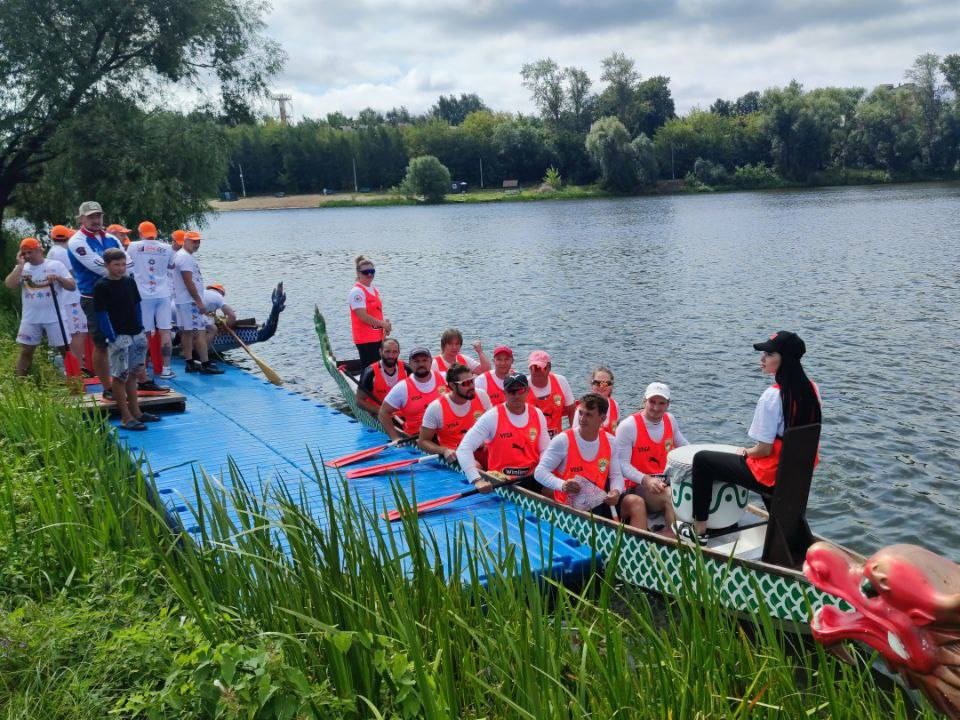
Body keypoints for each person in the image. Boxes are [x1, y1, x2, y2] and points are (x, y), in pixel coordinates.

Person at [679, 331, 822, 544]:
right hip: (796, 473)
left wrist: (746, 452)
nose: (762, 359)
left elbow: (763, 450)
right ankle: (788, 533)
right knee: (739, 462)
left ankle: (699, 532)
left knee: (702, 460)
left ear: (785, 359)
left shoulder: (772, 396)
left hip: (771, 474)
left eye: (769, 354)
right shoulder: (811, 388)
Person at [93, 248, 160, 430]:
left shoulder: (130, 282)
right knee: (120, 376)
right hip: (119, 336)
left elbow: (137, 306)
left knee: (134, 374)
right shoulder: (101, 286)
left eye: (123, 264)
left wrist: (140, 328)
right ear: (107, 265)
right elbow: (101, 314)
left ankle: (136, 411)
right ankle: (125, 416)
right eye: (116, 265)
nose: (121, 268)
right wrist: (112, 336)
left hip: (135, 332)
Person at [456, 372, 550, 493]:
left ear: (528, 391)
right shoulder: (492, 417)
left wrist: (542, 468)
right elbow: (464, 448)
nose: (516, 395)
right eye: (511, 391)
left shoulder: (537, 414)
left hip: (531, 477)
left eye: (520, 391)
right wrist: (477, 480)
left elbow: (545, 449)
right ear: (504, 393)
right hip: (502, 483)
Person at [67, 201, 126, 391]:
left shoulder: (112, 239)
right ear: (81, 218)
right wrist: (120, 270)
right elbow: (97, 267)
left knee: (122, 339)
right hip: (93, 297)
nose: (95, 220)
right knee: (101, 343)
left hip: (115, 293)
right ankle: (108, 387)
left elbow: (128, 262)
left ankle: (122, 382)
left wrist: (120, 270)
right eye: (91, 216)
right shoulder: (77, 241)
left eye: (98, 216)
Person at [534, 393, 622, 518]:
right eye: (581, 413)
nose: (582, 419)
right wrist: (562, 485)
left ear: (602, 419)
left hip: (596, 507)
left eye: (589, 415)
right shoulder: (563, 441)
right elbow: (540, 472)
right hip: (566, 510)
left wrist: (616, 491)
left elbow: (616, 476)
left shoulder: (611, 442)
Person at [615, 382, 686, 531]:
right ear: (644, 401)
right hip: (635, 486)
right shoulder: (628, 426)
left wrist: (704, 458)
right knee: (672, 496)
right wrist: (646, 480)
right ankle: (675, 540)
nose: (656, 408)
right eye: (652, 402)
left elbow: (685, 448)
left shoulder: (670, 420)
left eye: (661, 403)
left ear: (668, 404)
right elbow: (621, 464)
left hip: (662, 482)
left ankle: (694, 531)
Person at [4, 237, 76, 375]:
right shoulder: (22, 268)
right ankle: (20, 385)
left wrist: (58, 278)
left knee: (64, 350)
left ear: (39, 250)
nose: (27, 256)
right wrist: (19, 265)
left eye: (30, 252)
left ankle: (75, 384)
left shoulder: (55, 265)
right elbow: (9, 284)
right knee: (26, 351)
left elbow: (72, 286)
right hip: (30, 318)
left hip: (55, 317)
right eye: (24, 253)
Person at [126, 220, 176, 379]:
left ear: (141, 233)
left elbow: (127, 266)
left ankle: (143, 369)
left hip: (143, 295)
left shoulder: (133, 246)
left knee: (145, 333)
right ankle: (166, 369)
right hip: (163, 294)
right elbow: (172, 266)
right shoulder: (167, 248)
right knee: (165, 331)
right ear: (155, 233)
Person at [172, 230, 222, 374]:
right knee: (200, 332)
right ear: (185, 241)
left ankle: (190, 363)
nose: (197, 244)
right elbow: (189, 281)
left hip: (182, 301)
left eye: (198, 241)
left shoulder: (180, 256)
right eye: (194, 241)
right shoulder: (185, 257)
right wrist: (199, 301)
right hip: (190, 301)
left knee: (186, 333)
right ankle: (205, 364)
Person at [419, 363, 492, 462]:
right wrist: (444, 451)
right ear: (452, 385)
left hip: (481, 448)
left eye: (472, 381)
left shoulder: (482, 395)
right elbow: (423, 442)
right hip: (456, 454)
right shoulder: (436, 408)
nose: (471, 386)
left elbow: (492, 427)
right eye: (465, 383)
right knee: (475, 466)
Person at [378, 346, 445, 439]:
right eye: (416, 361)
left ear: (431, 362)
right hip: (417, 437)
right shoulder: (402, 388)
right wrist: (394, 438)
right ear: (410, 364)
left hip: (445, 433)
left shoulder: (445, 378)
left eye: (424, 360)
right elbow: (383, 412)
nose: (421, 364)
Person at [46, 224, 87, 371]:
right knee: (77, 333)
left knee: (75, 332)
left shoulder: (52, 252)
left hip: (66, 298)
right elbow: (74, 272)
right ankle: (79, 368)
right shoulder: (63, 252)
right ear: (68, 238)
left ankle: (77, 366)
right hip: (72, 298)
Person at [349, 255, 391, 368]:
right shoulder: (356, 292)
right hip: (365, 339)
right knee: (370, 369)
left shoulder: (374, 289)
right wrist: (382, 324)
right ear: (358, 273)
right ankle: (364, 385)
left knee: (380, 367)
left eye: (372, 271)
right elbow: (363, 316)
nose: (369, 274)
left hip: (377, 337)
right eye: (365, 272)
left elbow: (376, 312)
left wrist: (386, 325)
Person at [526, 350, 575, 437]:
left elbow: (572, 412)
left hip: (555, 439)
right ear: (529, 368)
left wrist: (574, 437)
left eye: (541, 368)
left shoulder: (561, 381)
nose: (537, 371)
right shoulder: (523, 385)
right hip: (532, 439)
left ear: (549, 368)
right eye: (534, 368)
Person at [356, 338, 410, 413]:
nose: (391, 356)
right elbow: (359, 401)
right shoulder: (370, 373)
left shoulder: (407, 369)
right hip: (378, 413)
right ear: (380, 352)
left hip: (403, 413)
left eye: (394, 352)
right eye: (387, 352)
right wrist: (382, 412)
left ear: (398, 353)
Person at [573, 366, 619, 432]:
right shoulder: (582, 409)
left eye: (606, 383)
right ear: (592, 384)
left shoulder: (615, 405)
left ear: (611, 386)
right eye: (597, 383)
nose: (601, 386)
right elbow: (576, 435)